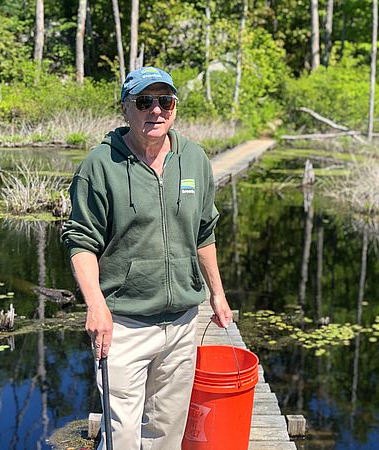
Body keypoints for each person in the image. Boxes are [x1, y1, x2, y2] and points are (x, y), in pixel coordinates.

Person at [61, 66, 233, 449]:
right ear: (126, 109)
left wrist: (217, 295)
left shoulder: (194, 159)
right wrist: (96, 307)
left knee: (167, 432)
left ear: (175, 107)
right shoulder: (100, 165)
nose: (156, 110)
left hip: (182, 323)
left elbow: (204, 233)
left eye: (164, 101)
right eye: (144, 101)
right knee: (121, 435)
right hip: (124, 324)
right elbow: (81, 241)